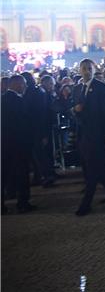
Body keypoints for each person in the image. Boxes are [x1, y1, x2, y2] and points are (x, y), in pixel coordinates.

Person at [73, 59, 105, 216]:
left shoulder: (102, 87)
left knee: (92, 168)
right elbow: (74, 110)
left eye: (90, 68)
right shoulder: (77, 89)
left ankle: (86, 203)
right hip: (84, 134)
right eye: (84, 68)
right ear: (79, 70)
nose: (87, 71)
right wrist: (76, 110)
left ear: (94, 70)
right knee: (100, 167)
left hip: (98, 134)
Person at [2, 75, 37, 214]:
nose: (26, 87)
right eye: (24, 84)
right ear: (16, 84)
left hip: (3, 145)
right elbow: (25, 125)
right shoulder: (19, 101)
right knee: (22, 174)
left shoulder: (2, 100)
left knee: (3, 175)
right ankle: (23, 203)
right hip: (19, 145)